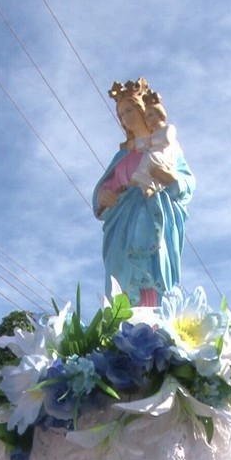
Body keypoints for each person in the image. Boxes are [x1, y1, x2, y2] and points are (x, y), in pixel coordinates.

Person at [92, 78, 194, 307]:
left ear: (143, 109)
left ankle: (153, 331)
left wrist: (171, 179)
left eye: (129, 109)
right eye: (121, 114)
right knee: (123, 284)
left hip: (153, 219)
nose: (125, 117)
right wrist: (103, 198)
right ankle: (124, 332)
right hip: (122, 229)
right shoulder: (122, 157)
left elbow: (187, 183)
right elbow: (103, 193)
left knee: (151, 274)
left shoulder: (167, 145)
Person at [129, 91, 180, 198]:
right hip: (154, 158)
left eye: (151, 115)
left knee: (149, 157)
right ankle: (147, 186)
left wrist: (149, 142)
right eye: (146, 117)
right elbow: (141, 145)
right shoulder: (151, 136)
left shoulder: (169, 128)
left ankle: (147, 185)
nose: (148, 119)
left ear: (160, 115)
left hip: (165, 158)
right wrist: (135, 144)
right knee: (146, 161)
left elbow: (166, 139)